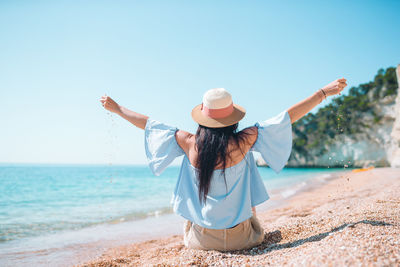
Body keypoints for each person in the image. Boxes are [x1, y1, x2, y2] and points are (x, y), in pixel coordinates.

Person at [100, 78, 347, 251]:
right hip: (245, 239)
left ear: (203, 118)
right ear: (232, 119)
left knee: (190, 180)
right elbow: (286, 117)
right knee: (248, 162)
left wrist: (118, 108)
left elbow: (149, 124)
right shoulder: (245, 140)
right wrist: (322, 93)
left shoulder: (188, 142)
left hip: (201, 241)